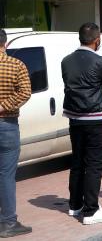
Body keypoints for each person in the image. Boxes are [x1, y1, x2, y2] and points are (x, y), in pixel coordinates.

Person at [62, 23, 102, 225]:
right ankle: (91, 211)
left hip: (74, 118)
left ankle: (75, 205)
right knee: (95, 166)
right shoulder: (101, 62)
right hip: (96, 118)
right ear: (97, 40)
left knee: (78, 162)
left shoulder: (66, 61)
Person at [0, 29, 32, 238]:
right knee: (6, 175)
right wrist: (3, 106)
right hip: (7, 124)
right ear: (6, 42)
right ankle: (8, 222)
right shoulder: (16, 64)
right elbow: (25, 91)